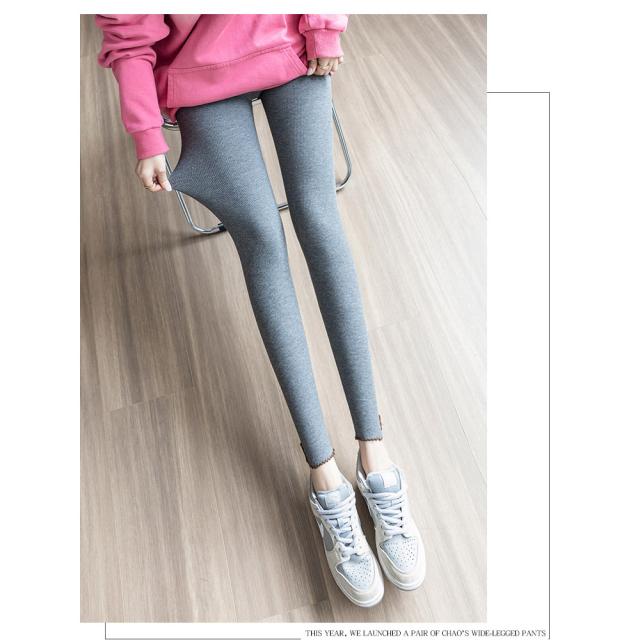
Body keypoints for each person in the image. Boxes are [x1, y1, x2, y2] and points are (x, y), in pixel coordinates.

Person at [95, 13, 425, 607]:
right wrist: (145, 133)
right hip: (197, 73)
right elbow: (128, 34)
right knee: (262, 244)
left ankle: (375, 455)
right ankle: (324, 475)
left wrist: (323, 25)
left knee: (319, 221)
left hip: (288, 39)